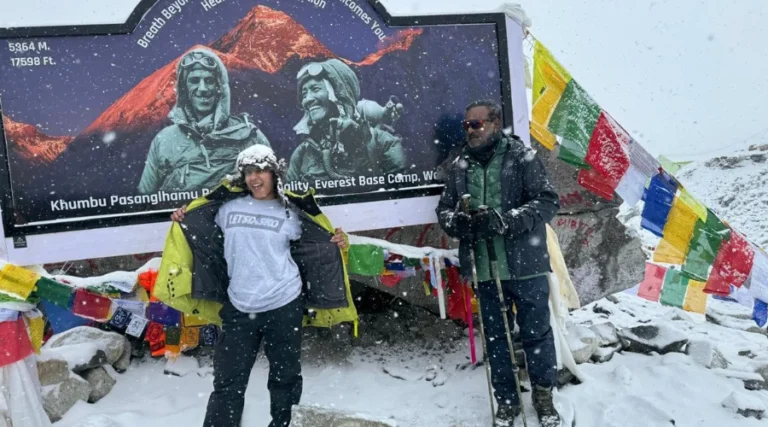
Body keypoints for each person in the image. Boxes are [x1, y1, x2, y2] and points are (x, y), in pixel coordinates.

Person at [164, 144, 357, 427]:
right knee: (228, 380)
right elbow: (200, 225)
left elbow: (321, 243)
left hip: (284, 304)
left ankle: (284, 424)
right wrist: (185, 215)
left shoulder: (291, 211)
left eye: (262, 171)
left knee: (285, 377)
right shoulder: (227, 208)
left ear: (274, 173)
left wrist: (342, 242)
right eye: (249, 172)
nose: (255, 178)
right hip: (239, 306)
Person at [435, 100, 561, 427]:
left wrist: (508, 222)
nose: (471, 131)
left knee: (536, 333)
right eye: (467, 125)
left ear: (494, 123)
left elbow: (547, 202)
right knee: (496, 337)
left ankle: (544, 394)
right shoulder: (459, 164)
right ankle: (506, 400)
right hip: (484, 267)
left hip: (526, 265)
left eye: (476, 124)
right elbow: (445, 211)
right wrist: (460, 223)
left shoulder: (522, 158)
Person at [138, 47, 271, 195]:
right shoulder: (164, 140)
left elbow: (274, 191)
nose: (202, 88)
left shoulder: (249, 135)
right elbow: (144, 200)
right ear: (183, 88)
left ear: (219, 87)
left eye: (209, 81)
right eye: (194, 80)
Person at [286, 59, 405, 187]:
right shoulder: (302, 154)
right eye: (304, 94)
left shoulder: (383, 143)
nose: (307, 99)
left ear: (338, 94)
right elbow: (290, 199)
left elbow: (403, 196)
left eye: (315, 89)